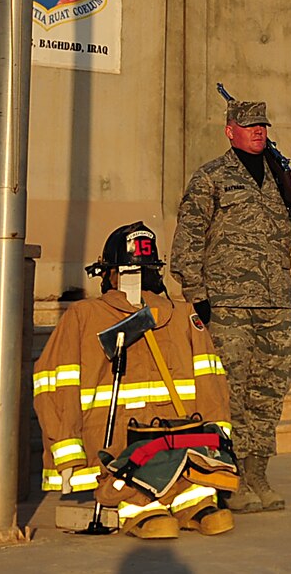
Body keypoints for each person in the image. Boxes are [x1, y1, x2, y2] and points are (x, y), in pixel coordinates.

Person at [170, 93, 291, 513]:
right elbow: (186, 243)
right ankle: (229, 476)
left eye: (264, 126)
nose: (259, 131)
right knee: (231, 392)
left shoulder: (282, 179)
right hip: (228, 306)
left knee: (270, 389)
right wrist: (198, 297)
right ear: (230, 131)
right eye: (251, 126)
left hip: (275, 303)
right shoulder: (211, 178)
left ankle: (258, 472)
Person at [33, 221, 237, 539]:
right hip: (166, 440)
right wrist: (217, 434)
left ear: (108, 272)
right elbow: (212, 383)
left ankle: (177, 504)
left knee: (155, 480)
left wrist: (67, 453)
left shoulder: (82, 317)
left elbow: (55, 387)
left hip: (118, 441)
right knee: (166, 475)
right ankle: (177, 506)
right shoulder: (184, 316)